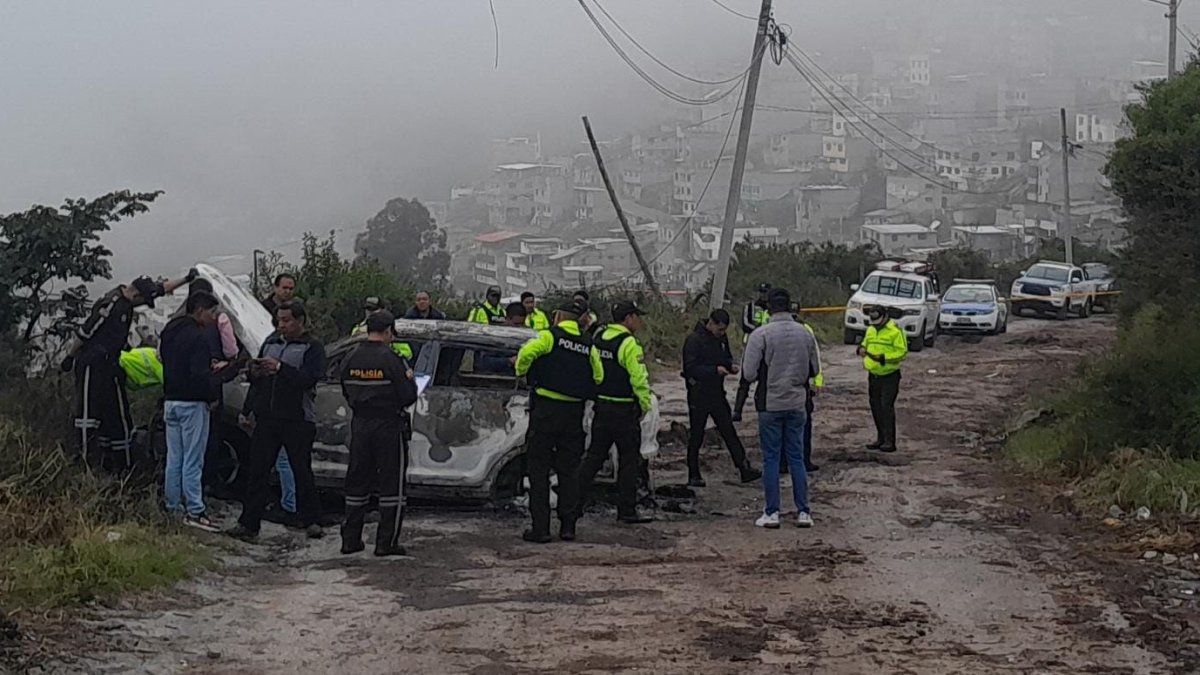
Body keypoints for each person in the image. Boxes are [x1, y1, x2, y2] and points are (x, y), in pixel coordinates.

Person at [65, 270, 193, 471]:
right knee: (87, 415)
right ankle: (84, 464)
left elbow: (160, 288)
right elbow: (85, 333)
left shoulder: (130, 299)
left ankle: (122, 466)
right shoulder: (111, 305)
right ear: (136, 295)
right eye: (142, 301)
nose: (142, 306)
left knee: (119, 415)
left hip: (112, 365)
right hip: (93, 363)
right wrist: (70, 356)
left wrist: (186, 279)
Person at [227, 301, 326, 540]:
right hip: (267, 418)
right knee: (258, 472)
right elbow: (257, 382)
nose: (281, 325)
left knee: (301, 470)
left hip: (297, 419)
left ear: (300, 321)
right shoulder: (270, 343)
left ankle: (312, 520)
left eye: (286, 320)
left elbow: (309, 379)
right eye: (279, 320)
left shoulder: (312, 347)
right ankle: (249, 524)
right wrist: (248, 404)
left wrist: (281, 368)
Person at [339, 311, 420, 557]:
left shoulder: (350, 357)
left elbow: (344, 387)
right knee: (391, 484)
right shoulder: (392, 359)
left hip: (360, 424)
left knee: (356, 482)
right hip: (388, 426)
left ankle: (350, 540)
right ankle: (386, 542)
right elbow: (408, 395)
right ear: (388, 331)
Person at [514, 301, 595, 543]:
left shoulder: (550, 336)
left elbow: (527, 353)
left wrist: (521, 370)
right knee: (569, 471)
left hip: (546, 412)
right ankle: (568, 527)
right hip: (573, 413)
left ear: (559, 316)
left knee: (538, 470)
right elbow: (598, 375)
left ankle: (541, 529)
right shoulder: (587, 345)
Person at [742, 289, 820, 529]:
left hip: (770, 403)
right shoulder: (805, 334)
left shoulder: (760, 335)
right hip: (797, 403)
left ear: (769, 309)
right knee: (797, 458)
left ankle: (772, 512)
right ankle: (803, 512)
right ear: (791, 307)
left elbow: (748, 373)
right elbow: (814, 370)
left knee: (772, 459)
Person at [577, 301, 653, 524]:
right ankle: (626, 511)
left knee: (593, 458)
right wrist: (645, 404)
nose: (639, 321)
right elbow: (638, 377)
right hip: (624, 410)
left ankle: (573, 503)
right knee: (629, 461)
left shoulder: (599, 338)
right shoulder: (629, 343)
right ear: (628, 318)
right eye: (636, 317)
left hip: (602, 408)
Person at [160, 290, 224, 533]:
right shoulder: (198, 338)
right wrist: (211, 395)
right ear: (199, 311)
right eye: (212, 312)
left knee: (174, 458)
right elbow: (199, 375)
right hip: (193, 404)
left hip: (171, 401)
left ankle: (173, 507)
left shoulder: (169, 332)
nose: (214, 317)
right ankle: (195, 510)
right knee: (193, 459)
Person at [681, 310, 762, 487]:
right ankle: (693, 473)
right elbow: (690, 368)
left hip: (717, 392)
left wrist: (729, 366)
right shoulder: (694, 340)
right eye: (719, 329)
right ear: (710, 323)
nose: (722, 333)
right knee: (697, 434)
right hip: (698, 393)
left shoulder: (721, 340)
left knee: (728, 431)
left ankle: (743, 467)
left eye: (724, 330)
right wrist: (713, 370)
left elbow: (725, 357)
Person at [858, 306, 908, 453]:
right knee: (876, 407)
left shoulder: (896, 331)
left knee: (886, 407)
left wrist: (884, 359)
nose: (875, 323)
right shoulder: (871, 329)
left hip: (889, 375)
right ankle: (880, 438)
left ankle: (889, 441)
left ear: (886, 317)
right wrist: (860, 348)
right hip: (873, 375)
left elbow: (902, 352)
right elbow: (865, 343)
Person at [732, 283, 772, 422]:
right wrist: (759, 332)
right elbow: (745, 324)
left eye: (765, 292)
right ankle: (737, 411)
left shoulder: (774, 309)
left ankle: (764, 408)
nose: (763, 295)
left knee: (766, 380)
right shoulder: (750, 307)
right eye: (761, 292)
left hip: (769, 349)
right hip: (752, 347)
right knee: (745, 379)